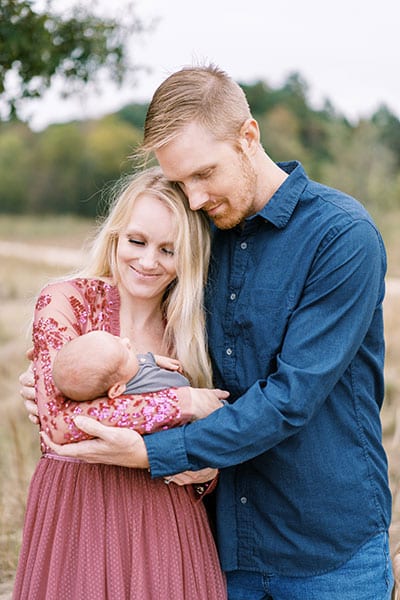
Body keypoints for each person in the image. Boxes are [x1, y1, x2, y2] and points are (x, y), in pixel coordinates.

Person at [21, 64, 394, 599]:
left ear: (248, 136)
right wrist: (63, 378)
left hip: (325, 547)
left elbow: (290, 399)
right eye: (180, 183)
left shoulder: (341, 237)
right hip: (223, 541)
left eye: (203, 174)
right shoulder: (200, 238)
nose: (194, 198)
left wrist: (155, 452)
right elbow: (136, 337)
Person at [14, 167, 228, 599]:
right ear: (115, 235)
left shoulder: (192, 330)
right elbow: (59, 428)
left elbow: (218, 435)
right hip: (77, 512)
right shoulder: (66, 301)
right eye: (137, 241)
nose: (149, 261)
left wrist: (210, 469)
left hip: (166, 516)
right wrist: (181, 402)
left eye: (169, 250)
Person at [49, 329, 191, 444]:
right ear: (117, 390)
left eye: (116, 339)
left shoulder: (126, 370)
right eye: (126, 353)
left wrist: (153, 359)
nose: (127, 341)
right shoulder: (137, 399)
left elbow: (137, 362)